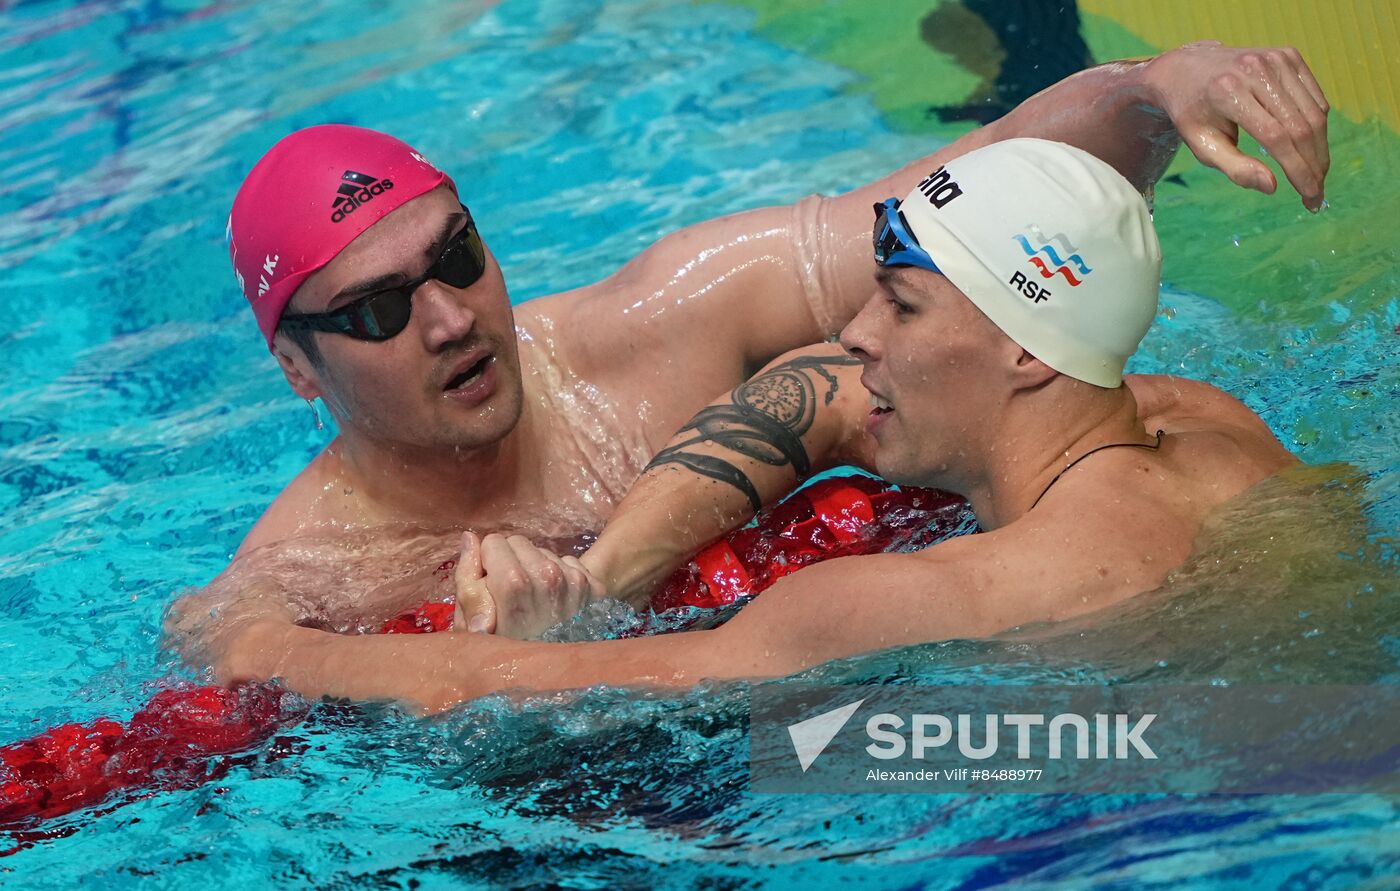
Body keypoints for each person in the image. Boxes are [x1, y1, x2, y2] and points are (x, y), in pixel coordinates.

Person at [175, 44, 1329, 659]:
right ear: (296, 366)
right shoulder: (302, 578)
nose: (450, 317)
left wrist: (1148, 90)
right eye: (378, 311)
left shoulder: (663, 320)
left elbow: (961, 217)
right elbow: (225, 659)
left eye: (460, 253)